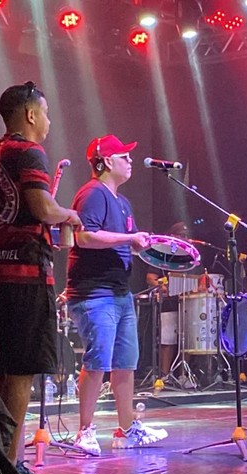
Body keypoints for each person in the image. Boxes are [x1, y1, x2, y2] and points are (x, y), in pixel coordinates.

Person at [0, 81, 82, 474]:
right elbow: (42, 207)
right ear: (29, 115)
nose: (48, 121)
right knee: (20, 374)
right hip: (24, 276)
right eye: (44, 112)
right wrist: (68, 216)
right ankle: (10, 469)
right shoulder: (28, 152)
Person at [67, 134, 168, 456]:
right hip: (95, 292)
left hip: (120, 292)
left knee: (125, 363)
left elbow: (123, 241)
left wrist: (143, 245)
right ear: (107, 161)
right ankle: (85, 430)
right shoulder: (93, 193)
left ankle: (126, 429)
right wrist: (128, 238)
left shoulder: (123, 202)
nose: (131, 161)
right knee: (97, 361)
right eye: (125, 156)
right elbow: (84, 237)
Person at [145, 222, 203, 381]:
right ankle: (165, 375)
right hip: (169, 302)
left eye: (186, 236)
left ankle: (183, 375)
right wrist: (165, 287)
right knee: (168, 340)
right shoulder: (163, 254)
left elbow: (200, 280)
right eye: (181, 236)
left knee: (188, 340)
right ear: (173, 237)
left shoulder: (192, 257)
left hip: (189, 303)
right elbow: (150, 278)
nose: (185, 239)